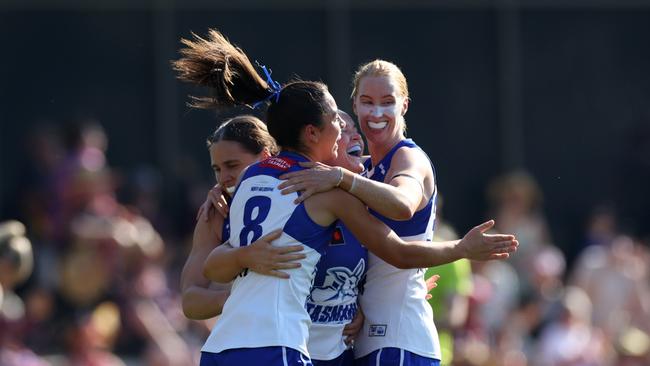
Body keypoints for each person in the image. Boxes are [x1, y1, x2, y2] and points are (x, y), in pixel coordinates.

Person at [173, 29, 517, 366]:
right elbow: (396, 249)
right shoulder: (328, 191)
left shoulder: (258, 179)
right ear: (313, 133)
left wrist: (376, 296)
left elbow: (218, 263)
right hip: (282, 345)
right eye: (338, 126)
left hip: (246, 348)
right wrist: (460, 250)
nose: (345, 133)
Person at [276, 59, 498, 365]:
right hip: (366, 340)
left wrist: (341, 178)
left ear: (404, 105)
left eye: (388, 102)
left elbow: (403, 205)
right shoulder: (361, 170)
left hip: (400, 338)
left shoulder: (407, 158)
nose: (377, 113)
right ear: (354, 104)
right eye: (367, 102)